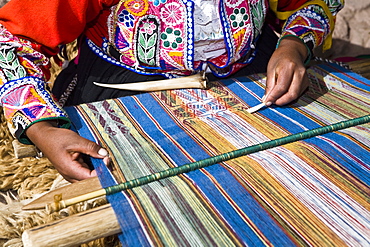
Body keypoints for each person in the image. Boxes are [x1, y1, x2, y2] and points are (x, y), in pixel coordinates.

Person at [0, 0, 344, 182]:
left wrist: (295, 45)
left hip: (254, 78)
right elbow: (14, 39)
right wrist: (40, 127)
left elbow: (309, 1)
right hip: (128, 92)